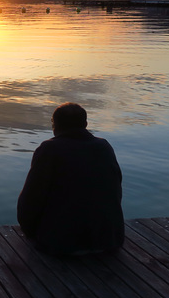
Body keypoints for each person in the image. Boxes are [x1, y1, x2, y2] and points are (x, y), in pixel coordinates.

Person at [17, 102, 124, 255]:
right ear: (85, 124)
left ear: (54, 125)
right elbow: (116, 190)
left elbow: (31, 198)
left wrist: (29, 231)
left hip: (63, 244)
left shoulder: (49, 149)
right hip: (108, 242)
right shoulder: (104, 146)